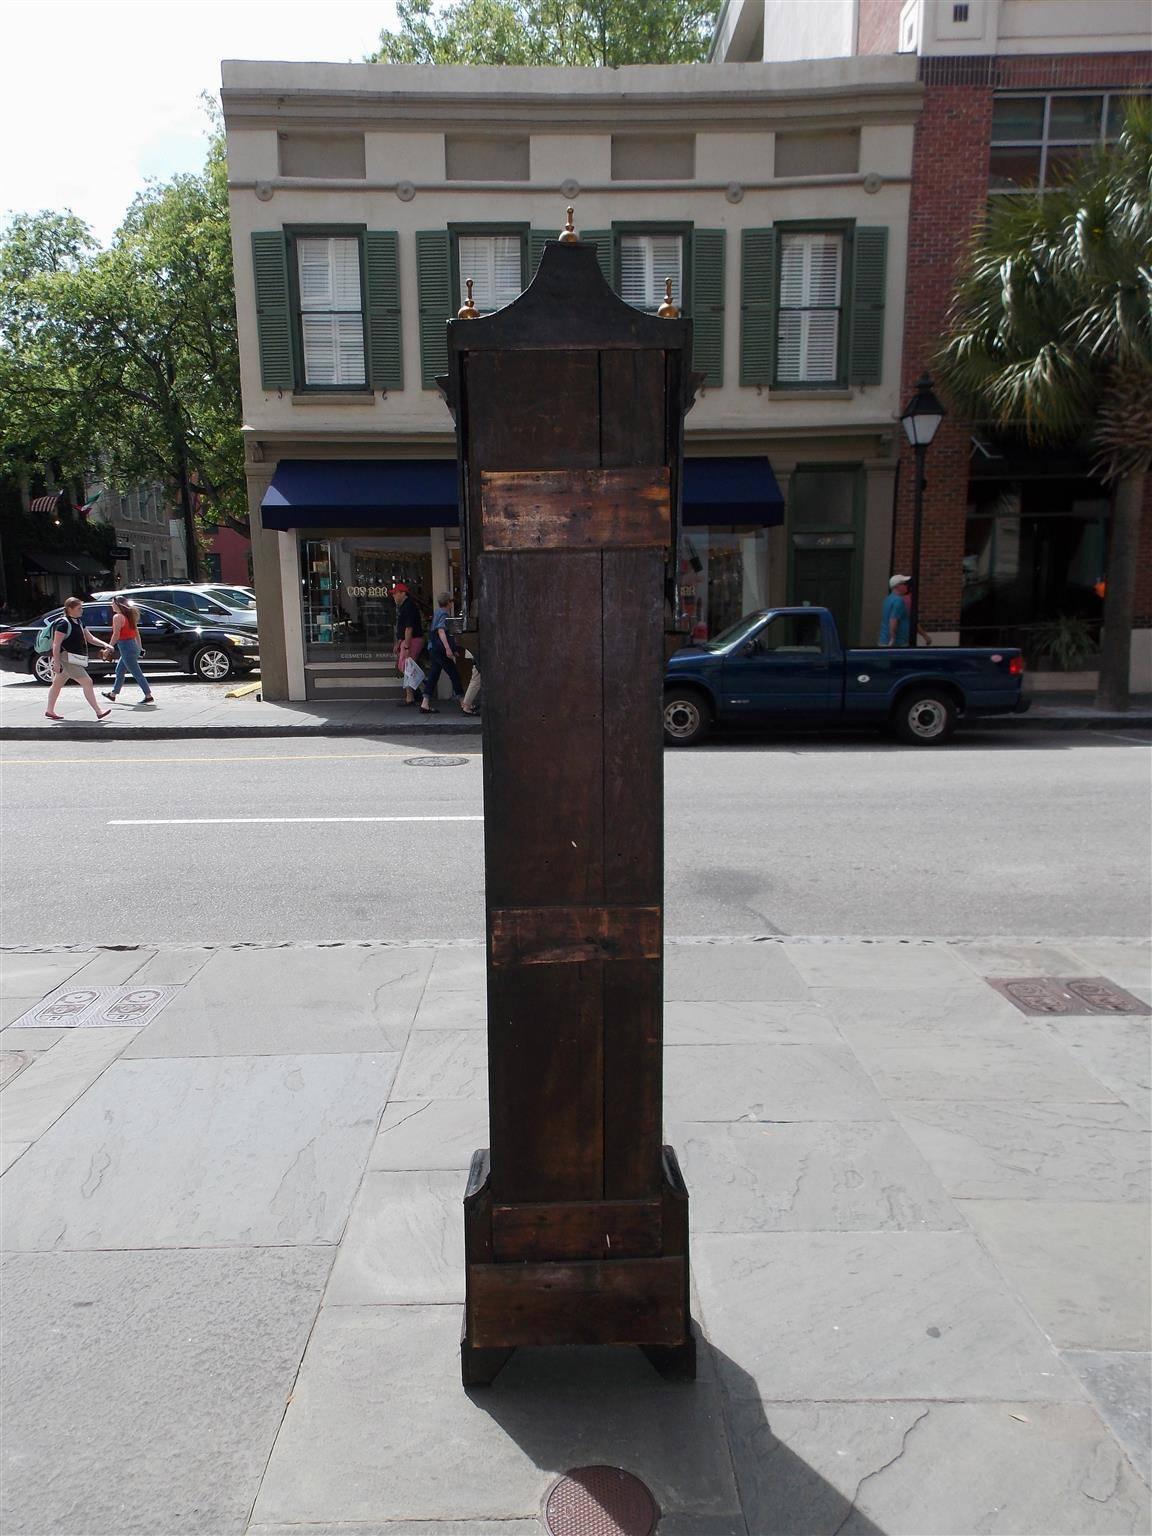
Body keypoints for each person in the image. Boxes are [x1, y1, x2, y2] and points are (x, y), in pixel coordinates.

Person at [44, 597, 112, 722]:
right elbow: (56, 644)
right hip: (66, 658)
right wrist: (57, 662)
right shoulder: (63, 623)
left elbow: (90, 638)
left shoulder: (78, 622)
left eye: (81, 608)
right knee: (87, 681)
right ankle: (98, 711)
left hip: (72, 658)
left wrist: (105, 644)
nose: (82, 611)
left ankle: (50, 710)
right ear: (70, 609)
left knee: (57, 684)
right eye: (79, 608)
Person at [102, 594, 156, 706]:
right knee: (119, 670)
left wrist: (108, 648)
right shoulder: (129, 616)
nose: (111, 605)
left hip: (126, 647)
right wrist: (140, 647)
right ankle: (113, 694)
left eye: (112, 603)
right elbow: (136, 633)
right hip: (132, 646)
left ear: (117, 605)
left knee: (136, 672)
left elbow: (116, 634)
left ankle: (148, 695)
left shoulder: (117, 617)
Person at [420, 591, 467, 715]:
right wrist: (448, 649)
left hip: (434, 649)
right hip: (440, 651)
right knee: (454, 674)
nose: (452, 603)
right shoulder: (444, 615)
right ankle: (463, 702)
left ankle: (425, 703)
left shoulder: (437, 612)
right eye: (451, 601)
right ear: (448, 603)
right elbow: (441, 631)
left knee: (434, 675)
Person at [392, 582, 425, 706]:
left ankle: (411, 696)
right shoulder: (405, 606)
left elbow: (409, 628)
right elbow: (404, 628)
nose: (394, 596)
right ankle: (416, 693)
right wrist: (400, 642)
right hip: (408, 640)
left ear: (402, 593)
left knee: (407, 668)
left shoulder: (408, 607)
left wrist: (406, 646)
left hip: (412, 640)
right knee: (407, 667)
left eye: (395, 593)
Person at [878, 575, 912, 648]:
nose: (907, 586)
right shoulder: (899, 601)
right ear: (897, 586)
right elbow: (893, 620)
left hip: (884, 640)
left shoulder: (888, 599)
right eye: (904, 584)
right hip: (897, 643)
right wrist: (892, 638)